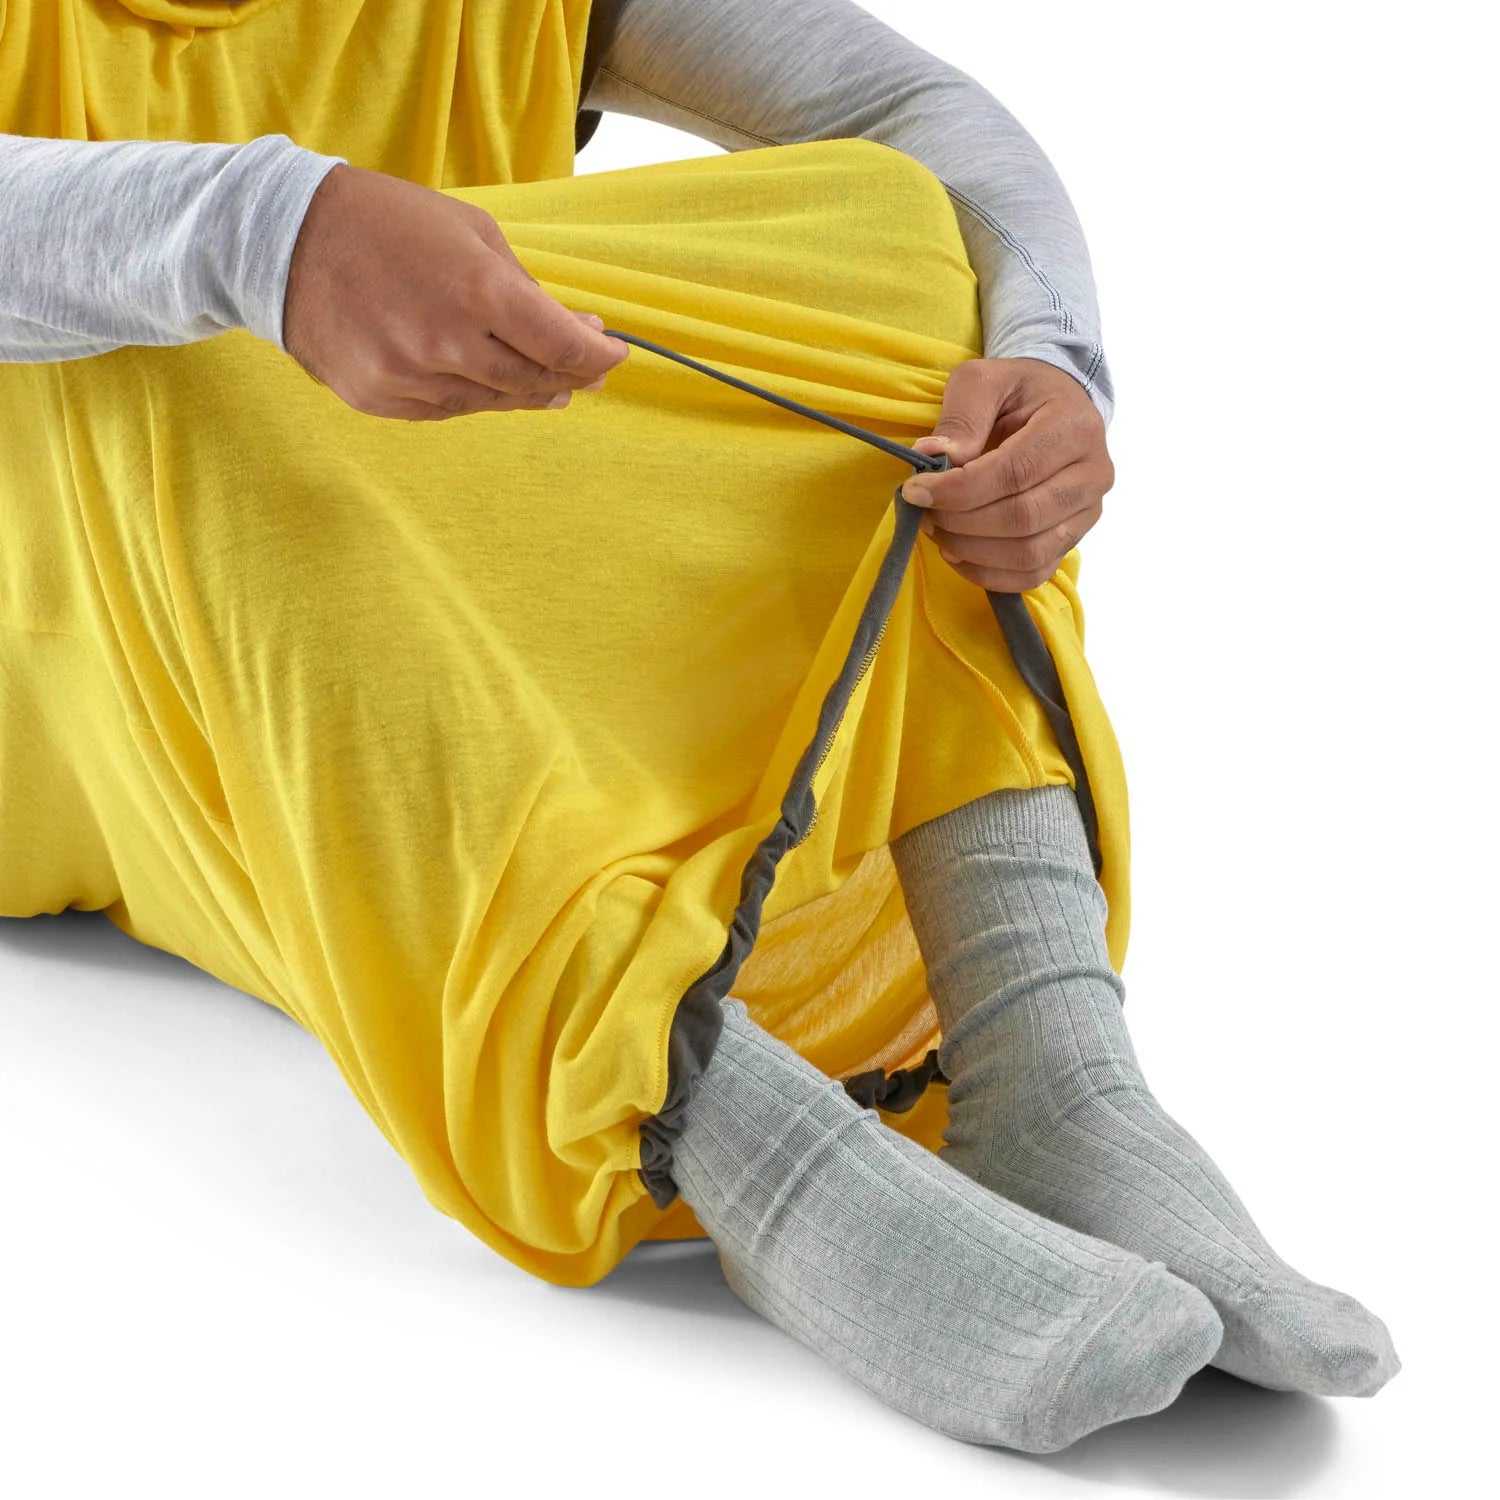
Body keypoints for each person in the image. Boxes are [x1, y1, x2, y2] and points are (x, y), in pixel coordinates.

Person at [0, 0, 1398, 1453]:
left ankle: (1047, 1064)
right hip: (56, 669)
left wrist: (1054, 360)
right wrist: (263, 236)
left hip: (440, 613)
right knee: (181, 358)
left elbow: (911, 114)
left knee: (896, 228)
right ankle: (744, 1148)